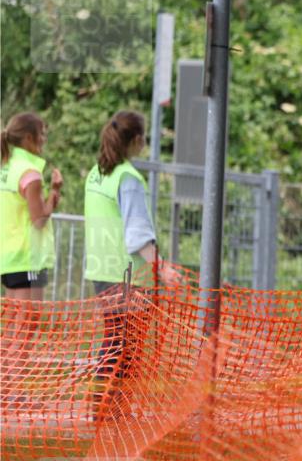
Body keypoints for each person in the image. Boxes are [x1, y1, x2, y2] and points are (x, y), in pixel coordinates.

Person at [84, 111, 179, 386]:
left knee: (114, 342)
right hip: (127, 276)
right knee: (126, 348)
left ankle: (104, 409)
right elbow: (137, 235)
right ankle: (111, 413)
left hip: (102, 271)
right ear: (137, 139)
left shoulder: (97, 174)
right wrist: (163, 269)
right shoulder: (129, 178)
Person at [0, 113, 62, 300]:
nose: (44, 140)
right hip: (28, 258)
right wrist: (54, 192)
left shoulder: (6, 167)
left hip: (9, 257)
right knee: (28, 324)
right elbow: (39, 220)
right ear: (28, 138)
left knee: (15, 325)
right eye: (42, 134)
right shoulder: (30, 173)